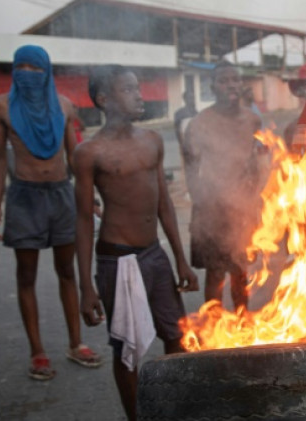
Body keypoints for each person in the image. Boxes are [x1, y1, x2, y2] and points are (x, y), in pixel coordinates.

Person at [74, 65, 198, 421]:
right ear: (104, 99)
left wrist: (181, 259)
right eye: (128, 90)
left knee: (177, 335)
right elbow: (83, 220)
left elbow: (163, 203)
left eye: (137, 87)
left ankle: (176, 409)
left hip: (154, 254)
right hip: (119, 259)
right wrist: (86, 286)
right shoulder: (90, 153)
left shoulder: (151, 141)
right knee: (127, 350)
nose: (139, 95)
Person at [0, 45, 102, 380]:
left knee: (67, 271)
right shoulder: (1, 107)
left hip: (60, 194)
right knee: (26, 276)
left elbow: (76, 158)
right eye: (21, 67)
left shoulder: (64, 106)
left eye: (35, 68)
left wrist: (90, 197)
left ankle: (76, 344)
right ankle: (37, 352)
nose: (28, 74)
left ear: (47, 71)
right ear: (13, 70)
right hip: (24, 197)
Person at [183, 62, 267, 309]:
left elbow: (259, 162)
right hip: (213, 210)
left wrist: (253, 199)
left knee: (241, 272)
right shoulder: (200, 123)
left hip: (243, 207)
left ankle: (243, 325)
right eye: (224, 80)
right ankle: (213, 331)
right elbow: (190, 170)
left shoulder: (252, 120)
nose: (231, 85)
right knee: (216, 274)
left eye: (235, 79)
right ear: (213, 87)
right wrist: (203, 206)